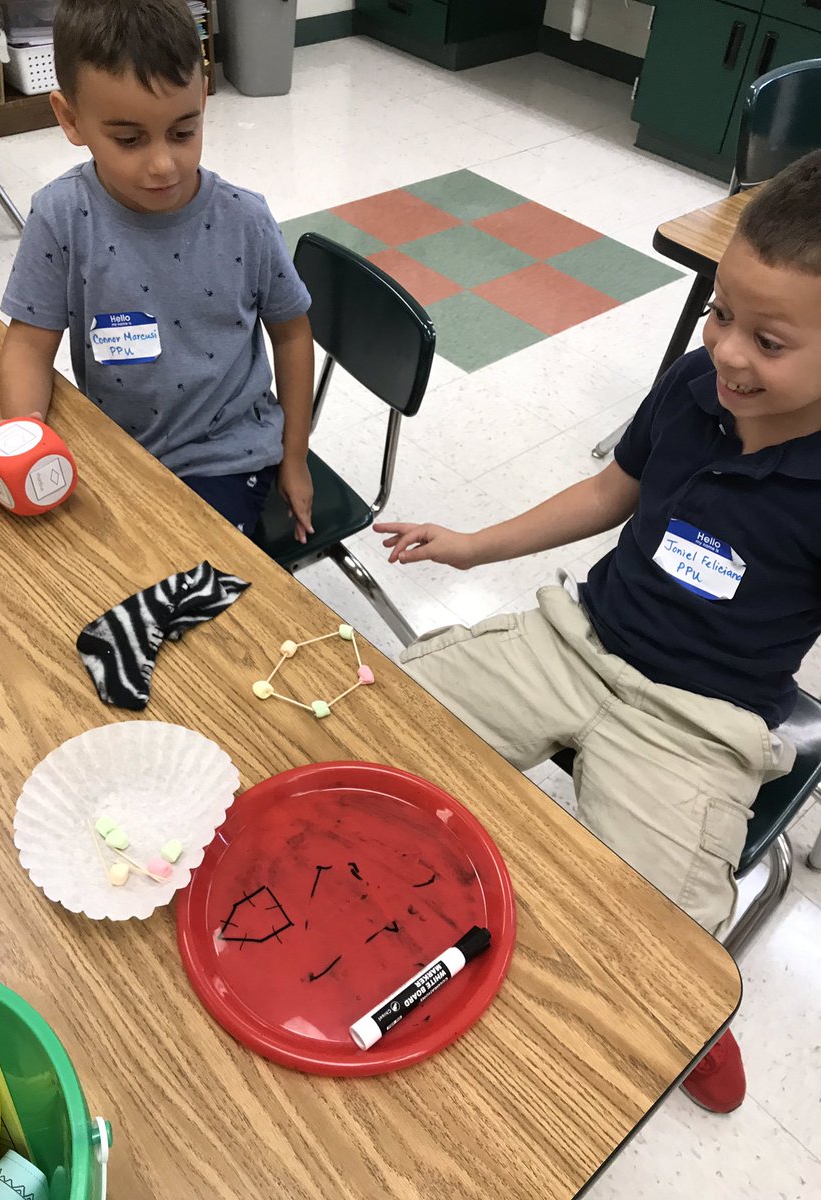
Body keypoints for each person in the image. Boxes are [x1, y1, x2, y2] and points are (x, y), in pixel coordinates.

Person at [376, 149, 821, 1114]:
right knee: (388, 724)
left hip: (700, 723)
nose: (728, 352)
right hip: (579, 641)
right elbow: (609, 491)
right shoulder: (695, 383)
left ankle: (694, 1024)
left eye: (769, 340)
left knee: (662, 949)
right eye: (720, 314)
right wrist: (473, 547)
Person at [0, 0, 314, 542]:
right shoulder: (60, 216)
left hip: (224, 457)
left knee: (181, 578)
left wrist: (294, 457)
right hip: (111, 447)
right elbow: (29, 345)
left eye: (183, 132)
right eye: (129, 140)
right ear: (70, 119)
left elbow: (291, 335)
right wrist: (25, 432)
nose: (163, 165)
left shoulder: (245, 220)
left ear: (202, 99)